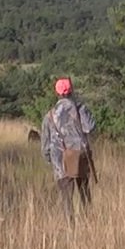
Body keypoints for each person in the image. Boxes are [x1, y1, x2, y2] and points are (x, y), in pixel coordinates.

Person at [40, 77, 96, 220]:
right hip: (79, 156)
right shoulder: (80, 109)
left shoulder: (49, 115)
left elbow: (45, 147)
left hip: (60, 162)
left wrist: (51, 160)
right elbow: (90, 128)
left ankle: (70, 231)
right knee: (84, 193)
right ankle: (89, 223)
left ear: (57, 93)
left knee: (66, 199)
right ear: (71, 91)